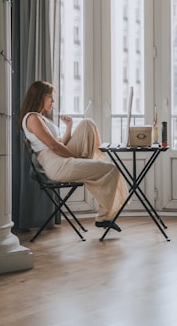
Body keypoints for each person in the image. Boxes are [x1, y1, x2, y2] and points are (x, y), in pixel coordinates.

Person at [18, 80, 128, 232]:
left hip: (60, 158)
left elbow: (60, 143)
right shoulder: (32, 118)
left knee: (87, 124)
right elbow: (54, 147)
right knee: (111, 169)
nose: (53, 101)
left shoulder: (40, 118)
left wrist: (69, 126)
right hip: (56, 165)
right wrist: (77, 158)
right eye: (51, 97)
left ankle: (89, 165)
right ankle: (104, 217)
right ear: (40, 97)